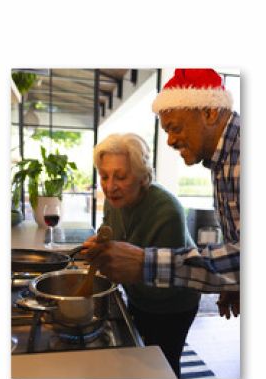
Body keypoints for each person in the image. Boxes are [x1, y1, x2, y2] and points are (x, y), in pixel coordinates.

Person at [83, 68, 240, 319]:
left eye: (175, 128)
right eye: (166, 131)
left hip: (171, 306)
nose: (168, 141)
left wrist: (141, 263)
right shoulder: (223, 161)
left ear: (210, 113)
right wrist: (235, 282)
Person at [85, 132, 200, 377]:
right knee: (140, 360)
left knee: (163, 367)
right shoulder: (112, 200)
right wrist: (101, 244)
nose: (110, 186)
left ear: (142, 175)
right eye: (104, 176)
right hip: (138, 296)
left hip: (174, 304)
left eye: (121, 176)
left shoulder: (167, 210)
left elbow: (165, 288)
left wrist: (113, 264)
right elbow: (112, 234)